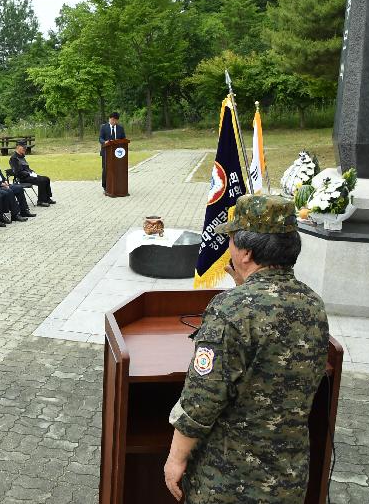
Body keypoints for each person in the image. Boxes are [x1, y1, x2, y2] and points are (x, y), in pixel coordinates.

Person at [164, 194, 329, 504]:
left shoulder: (231, 310)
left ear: (245, 252)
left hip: (229, 481)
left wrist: (176, 459)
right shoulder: (313, 305)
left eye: (231, 241)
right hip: (288, 480)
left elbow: (201, 402)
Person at [0, 142, 35, 219]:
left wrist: (5, 180)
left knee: (19, 188)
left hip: (2, 183)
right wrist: (1, 184)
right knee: (9, 191)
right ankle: (15, 215)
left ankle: (24, 211)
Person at [9, 140, 54, 207]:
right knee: (42, 180)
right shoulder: (14, 158)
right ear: (18, 147)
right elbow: (17, 172)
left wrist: (31, 171)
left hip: (29, 175)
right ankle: (41, 201)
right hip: (23, 178)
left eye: (25, 147)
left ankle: (47, 198)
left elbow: (26, 167)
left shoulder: (22, 156)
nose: (25, 149)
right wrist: (28, 173)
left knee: (46, 178)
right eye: (23, 147)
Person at [99, 112, 126, 191]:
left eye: (116, 120)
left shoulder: (120, 128)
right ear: (109, 119)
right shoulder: (103, 127)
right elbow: (100, 138)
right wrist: (104, 142)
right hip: (106, 152)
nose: (114, 122)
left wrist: (121, 142)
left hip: (118, 154)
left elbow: (124, 139)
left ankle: (117, 185)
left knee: (117, 169)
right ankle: (105, 187)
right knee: (106, 169)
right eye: (113, 120)